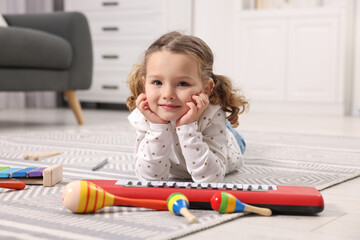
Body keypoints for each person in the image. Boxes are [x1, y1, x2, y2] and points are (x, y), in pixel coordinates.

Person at [126, 31, 248, 183]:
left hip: (228, 145)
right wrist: (158, 127)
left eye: (182, 84)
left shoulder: (212, 114)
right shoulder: (145, 115)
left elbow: (210, 179)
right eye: (157, 82)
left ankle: (229, 130)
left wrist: (187, 127)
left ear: (205, 89)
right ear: (144, 84)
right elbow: (150, 178)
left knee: (235, 139)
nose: (167, 94)